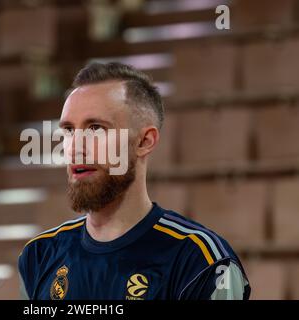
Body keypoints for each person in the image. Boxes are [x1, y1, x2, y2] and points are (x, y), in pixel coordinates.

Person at [18, 62, 250, 300]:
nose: (76, 147)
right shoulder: (39, 254)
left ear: (144, 142)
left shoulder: (202, 262)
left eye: (96, 128)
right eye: (68, 130)